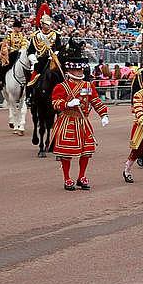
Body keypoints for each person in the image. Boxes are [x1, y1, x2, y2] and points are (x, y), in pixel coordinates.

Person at [51, 57, 109, 191]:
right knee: (67, 153)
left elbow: (95, 101)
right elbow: (55, 103)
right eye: (76, 69)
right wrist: (67, 104)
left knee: (87, 151)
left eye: (80, 69)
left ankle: (81, 176)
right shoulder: (62, 86)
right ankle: (67, 178)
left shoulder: (88, 86)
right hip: (68, 120)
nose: (79, 72)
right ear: (70, 70)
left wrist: (103, 114)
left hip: (83, 121)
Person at [26, 14, 62, 87]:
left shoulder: (55, 35)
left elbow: (59, 48)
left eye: (49, 24)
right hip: (40, 58)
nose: (48, 26)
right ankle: (30, 91)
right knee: (34, 72)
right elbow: (31, 51)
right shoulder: (36, 36)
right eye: (46, 24)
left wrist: (54, 55)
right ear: (41, 24)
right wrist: (34, 60)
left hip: (53, 59)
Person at [0, 19, 29, 86]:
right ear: (15, 27)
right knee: (3, 65)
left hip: (20, 53)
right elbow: (5, 44)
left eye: (20, 27)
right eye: (19, 27)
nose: (20, 28)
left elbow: (24, 43)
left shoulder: (22, 35)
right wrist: (11, 48)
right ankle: (2, 81)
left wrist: (22, 49)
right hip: (11, 53)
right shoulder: (10, 35)